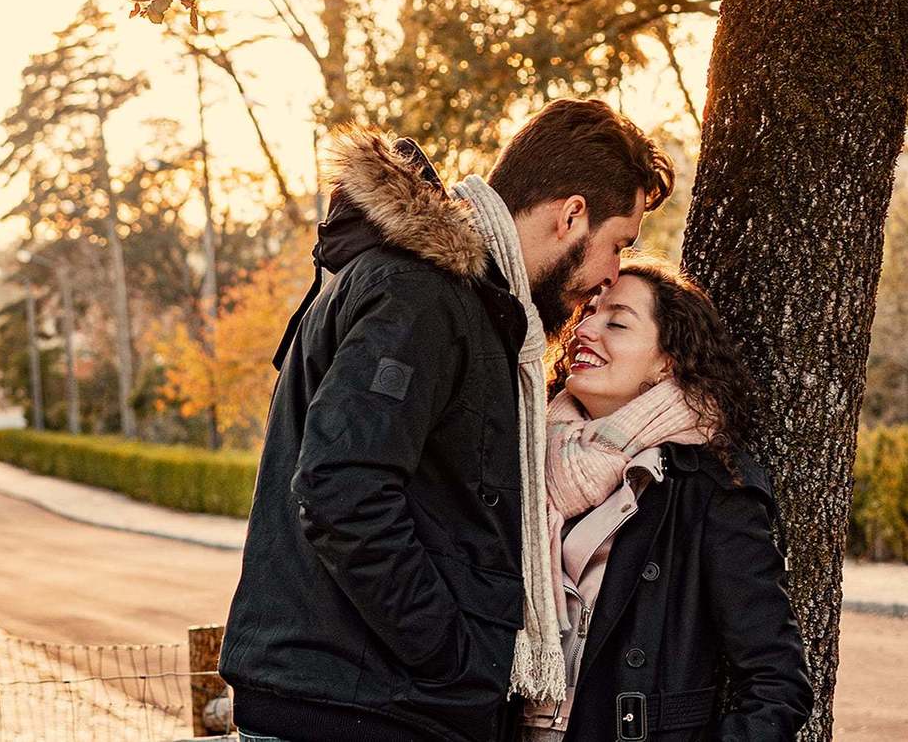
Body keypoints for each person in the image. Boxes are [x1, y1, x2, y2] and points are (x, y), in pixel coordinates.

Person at [220, 98, 674, 742]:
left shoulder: (469, 306)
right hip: (360, 709)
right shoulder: (421, 295)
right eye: (617, 244)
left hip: (367, 700)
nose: (609, 277)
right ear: (572, 215)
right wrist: (454, 660)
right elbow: (341, 490)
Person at [523, 255, 814, 742]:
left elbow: (776, 682)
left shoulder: (710, 488)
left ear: (667, 362)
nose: (585, 330)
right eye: (587, 314)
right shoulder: (525, 459)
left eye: (616, 321)